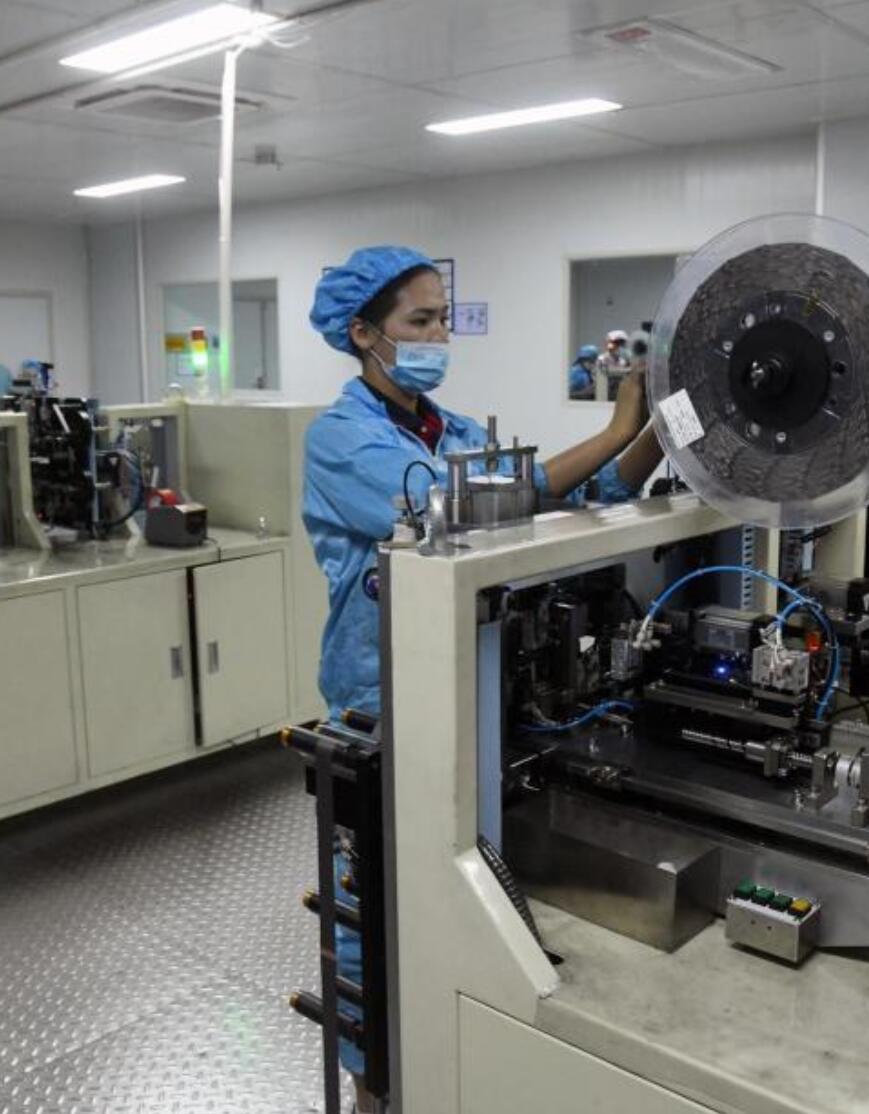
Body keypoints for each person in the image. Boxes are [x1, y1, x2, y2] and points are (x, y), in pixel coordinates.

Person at [303, 245, 662, 1112]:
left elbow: (574, 503)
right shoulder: (340, 438)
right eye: (419, 321)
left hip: (477, 691)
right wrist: (611, 429)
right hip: (382, 703)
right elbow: (455, 507)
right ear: (364, 334)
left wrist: (655, 427)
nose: (437, 337)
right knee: (374, 907)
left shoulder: (458, 431)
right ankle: (373, 1084)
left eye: (442, 319)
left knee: (463, 892)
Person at [596, 328, 631, 400]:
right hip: (606, 395)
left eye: (622, 344)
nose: (619, 347)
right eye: (616, 343)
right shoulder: (602, 359)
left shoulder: (623, 361)